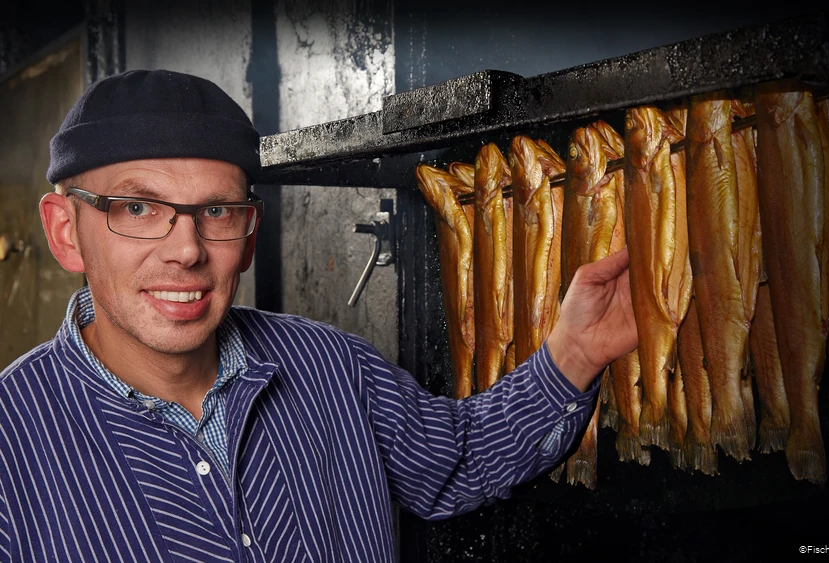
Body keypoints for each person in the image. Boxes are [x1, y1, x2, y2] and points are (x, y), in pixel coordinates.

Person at [0, 69, 637, 562]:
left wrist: (575, 353)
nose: (188, 249)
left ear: (249, 235)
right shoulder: (13, 442)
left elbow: (459, 459)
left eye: (217, 211)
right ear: (65, 232)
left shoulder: (331, 365)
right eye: (136, 210)